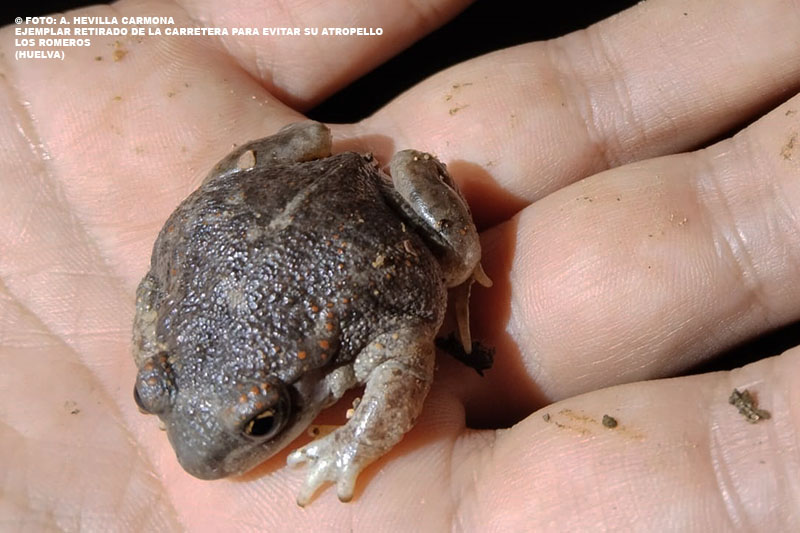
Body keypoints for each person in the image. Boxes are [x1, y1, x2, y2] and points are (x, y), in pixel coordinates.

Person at [1, 0, 798, 529]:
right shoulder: (174, 326)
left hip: (379, 206)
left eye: (262, 422)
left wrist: (359, 443)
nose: (187, 434)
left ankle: (459, 256)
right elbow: (157, 283)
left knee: (455, 259)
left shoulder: (328, 346)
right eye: (156, 385)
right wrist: (161, 356)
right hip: (254, 209)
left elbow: (404, 351)